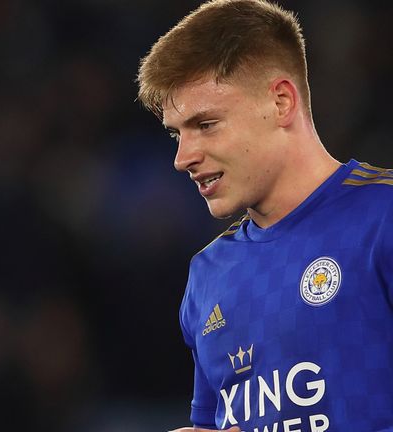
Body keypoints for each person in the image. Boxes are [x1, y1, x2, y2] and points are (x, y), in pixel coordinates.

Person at [138, 0, 393, 431]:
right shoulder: (208, 276)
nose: (183, 158)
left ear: (281, 102)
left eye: (206, 124)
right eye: (175, 133)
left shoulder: (382, 219)